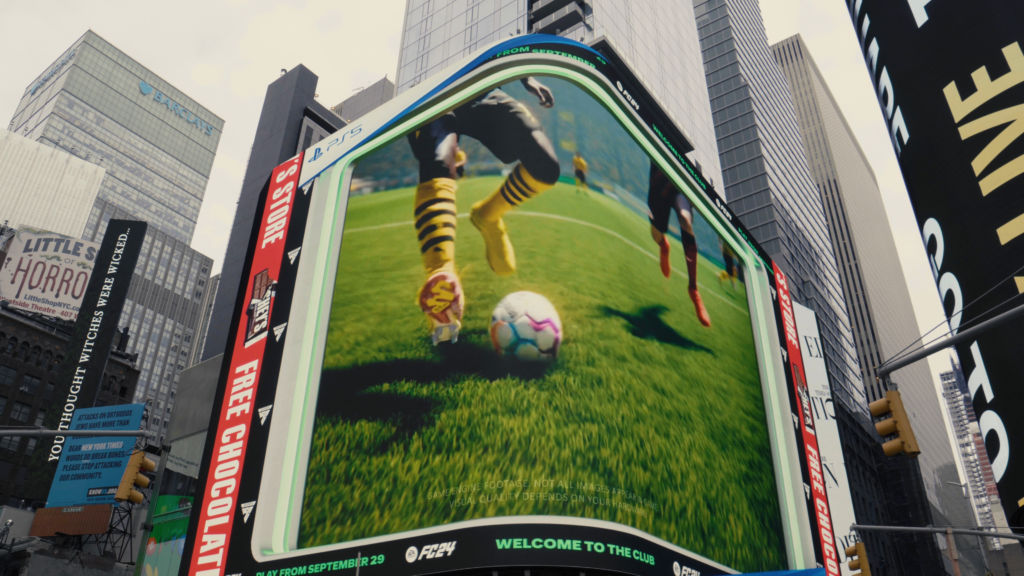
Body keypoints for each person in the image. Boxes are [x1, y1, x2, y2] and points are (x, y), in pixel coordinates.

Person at [408, 77, 560, 344]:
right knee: (437, 161)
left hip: (481, 84)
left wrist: (526, 78)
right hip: (431, 88)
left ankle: (487, 215)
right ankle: (441, 276)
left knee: (545, 165)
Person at [647, 162, 711, 327]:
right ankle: (663, 245)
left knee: (685, 218)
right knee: (656, 232)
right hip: (660, 177)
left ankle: (693, 289)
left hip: (681, 179)